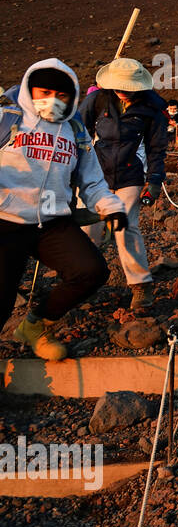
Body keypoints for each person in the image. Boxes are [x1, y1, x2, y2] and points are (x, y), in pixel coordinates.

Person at [2, 60, 126, 361]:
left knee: (90, 271)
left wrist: (111, 206)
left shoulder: (75, 130)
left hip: (52, 221)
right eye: (44, 91)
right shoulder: (7, 118)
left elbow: (92, 178)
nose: (52, 100)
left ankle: (35, 326)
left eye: (62, 94)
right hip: (5, 220)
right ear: (30, 88)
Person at [78, 58, 168, 313]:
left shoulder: (153, 107)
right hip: (94, 174)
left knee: (125, 227)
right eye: (119, 86)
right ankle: (83, 283)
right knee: (87, 231)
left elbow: (157, 148)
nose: (124, 91)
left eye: (129, 87)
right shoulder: (97, 100)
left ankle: (141, 285)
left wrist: (154, 181)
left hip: (130, 174)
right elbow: (77, 130)